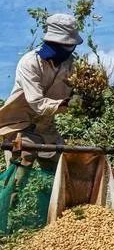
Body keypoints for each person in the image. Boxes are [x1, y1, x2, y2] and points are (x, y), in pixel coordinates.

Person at [0, 13, 83, 173]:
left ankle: (53, 198)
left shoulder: (70, 66)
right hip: (21, 126)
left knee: (61, 172)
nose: (69, 49)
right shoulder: (30, 63)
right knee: (17, 178)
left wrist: (84, 99)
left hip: (46, 127)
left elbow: (75, 93)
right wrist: (66, 103)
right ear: (54, 41)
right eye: (66, 45)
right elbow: (37, 104)